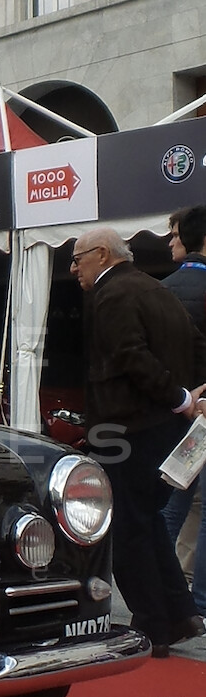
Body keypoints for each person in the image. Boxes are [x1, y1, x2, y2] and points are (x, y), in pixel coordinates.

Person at [72, 226, 206, 657]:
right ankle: (180, 613)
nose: (73, 268)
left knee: (127, 528)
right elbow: (197, 345)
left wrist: (179, 397)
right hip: (161, 428)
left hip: (125, 428)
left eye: (77, 258)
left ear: (101, 254)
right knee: (147, 522)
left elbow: (130, 356)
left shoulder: (112, 294)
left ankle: (152, 623)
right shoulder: (155, 288)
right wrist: (189, 397)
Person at [160, 204, 206, 617]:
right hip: (202, 413)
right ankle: (200, 604)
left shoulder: (161, 290)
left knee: (172, 507)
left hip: (177, 411)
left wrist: (179, 397)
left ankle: (162, 598)